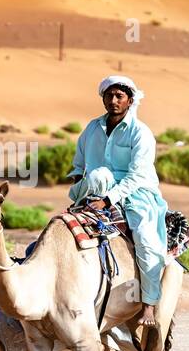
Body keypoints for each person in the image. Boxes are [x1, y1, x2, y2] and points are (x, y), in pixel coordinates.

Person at [66, 75, 173, 328]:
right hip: (95, 188)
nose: (113, 101)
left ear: (129, 100)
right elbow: (79, 162)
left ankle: (149, 303)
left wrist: (108, 200)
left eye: (119, 96)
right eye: (109, 96)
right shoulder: (92, 128)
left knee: (146, 240)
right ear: (103, 98)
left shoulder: (141, 133)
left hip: (137, 192)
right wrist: (76, 183)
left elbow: (137, 176)